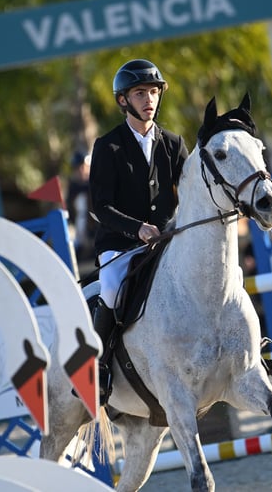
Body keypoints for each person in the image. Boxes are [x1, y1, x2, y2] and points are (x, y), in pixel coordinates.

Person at [89, 59, 188, 401]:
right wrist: (137, 229)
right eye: (140, 93)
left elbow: (190, 190)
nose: (149, 100)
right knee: (111, 288)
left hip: (166, 241)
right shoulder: (108, 146)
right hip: (121, 244)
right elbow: (101, 207)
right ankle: (100, 368)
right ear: (123, 100)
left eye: (154, 92)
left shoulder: (173, 143)